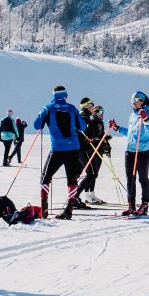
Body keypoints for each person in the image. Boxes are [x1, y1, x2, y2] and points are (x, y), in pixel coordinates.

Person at [34, 84, 85, 218]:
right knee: (72, 179)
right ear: (65, 95)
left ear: (54, 95)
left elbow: (36, 125)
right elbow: (83, 127)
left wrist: (45, 114)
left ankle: (44, 209)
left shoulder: (48, 108)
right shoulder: (72, 108)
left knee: (45, 178)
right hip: (73, 148)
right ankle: (69, 210)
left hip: (57, 149)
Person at [118, 92, 149, 215]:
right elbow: (130, 133)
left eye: (135, 100)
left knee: (143, 179)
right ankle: (131, 205)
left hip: (142, 151)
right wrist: (117, 128)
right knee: (130, 179)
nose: (133, 102)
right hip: (130, 151)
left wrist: (145, 119)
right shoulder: (133, 115)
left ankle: (144, 205)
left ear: (142, 101)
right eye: (131, 99)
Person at [79, 100, 108, 203]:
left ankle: (91, 193)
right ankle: (84, 194)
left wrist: (105, 143)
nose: (101, 114)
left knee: (94, 173)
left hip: (97, 149)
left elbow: (100, 135)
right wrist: (94, 139)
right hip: (91, 149)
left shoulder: (100, 122)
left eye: (102, 112)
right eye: (99, 112)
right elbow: (88, 134)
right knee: (92, 173)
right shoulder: (91, 120)